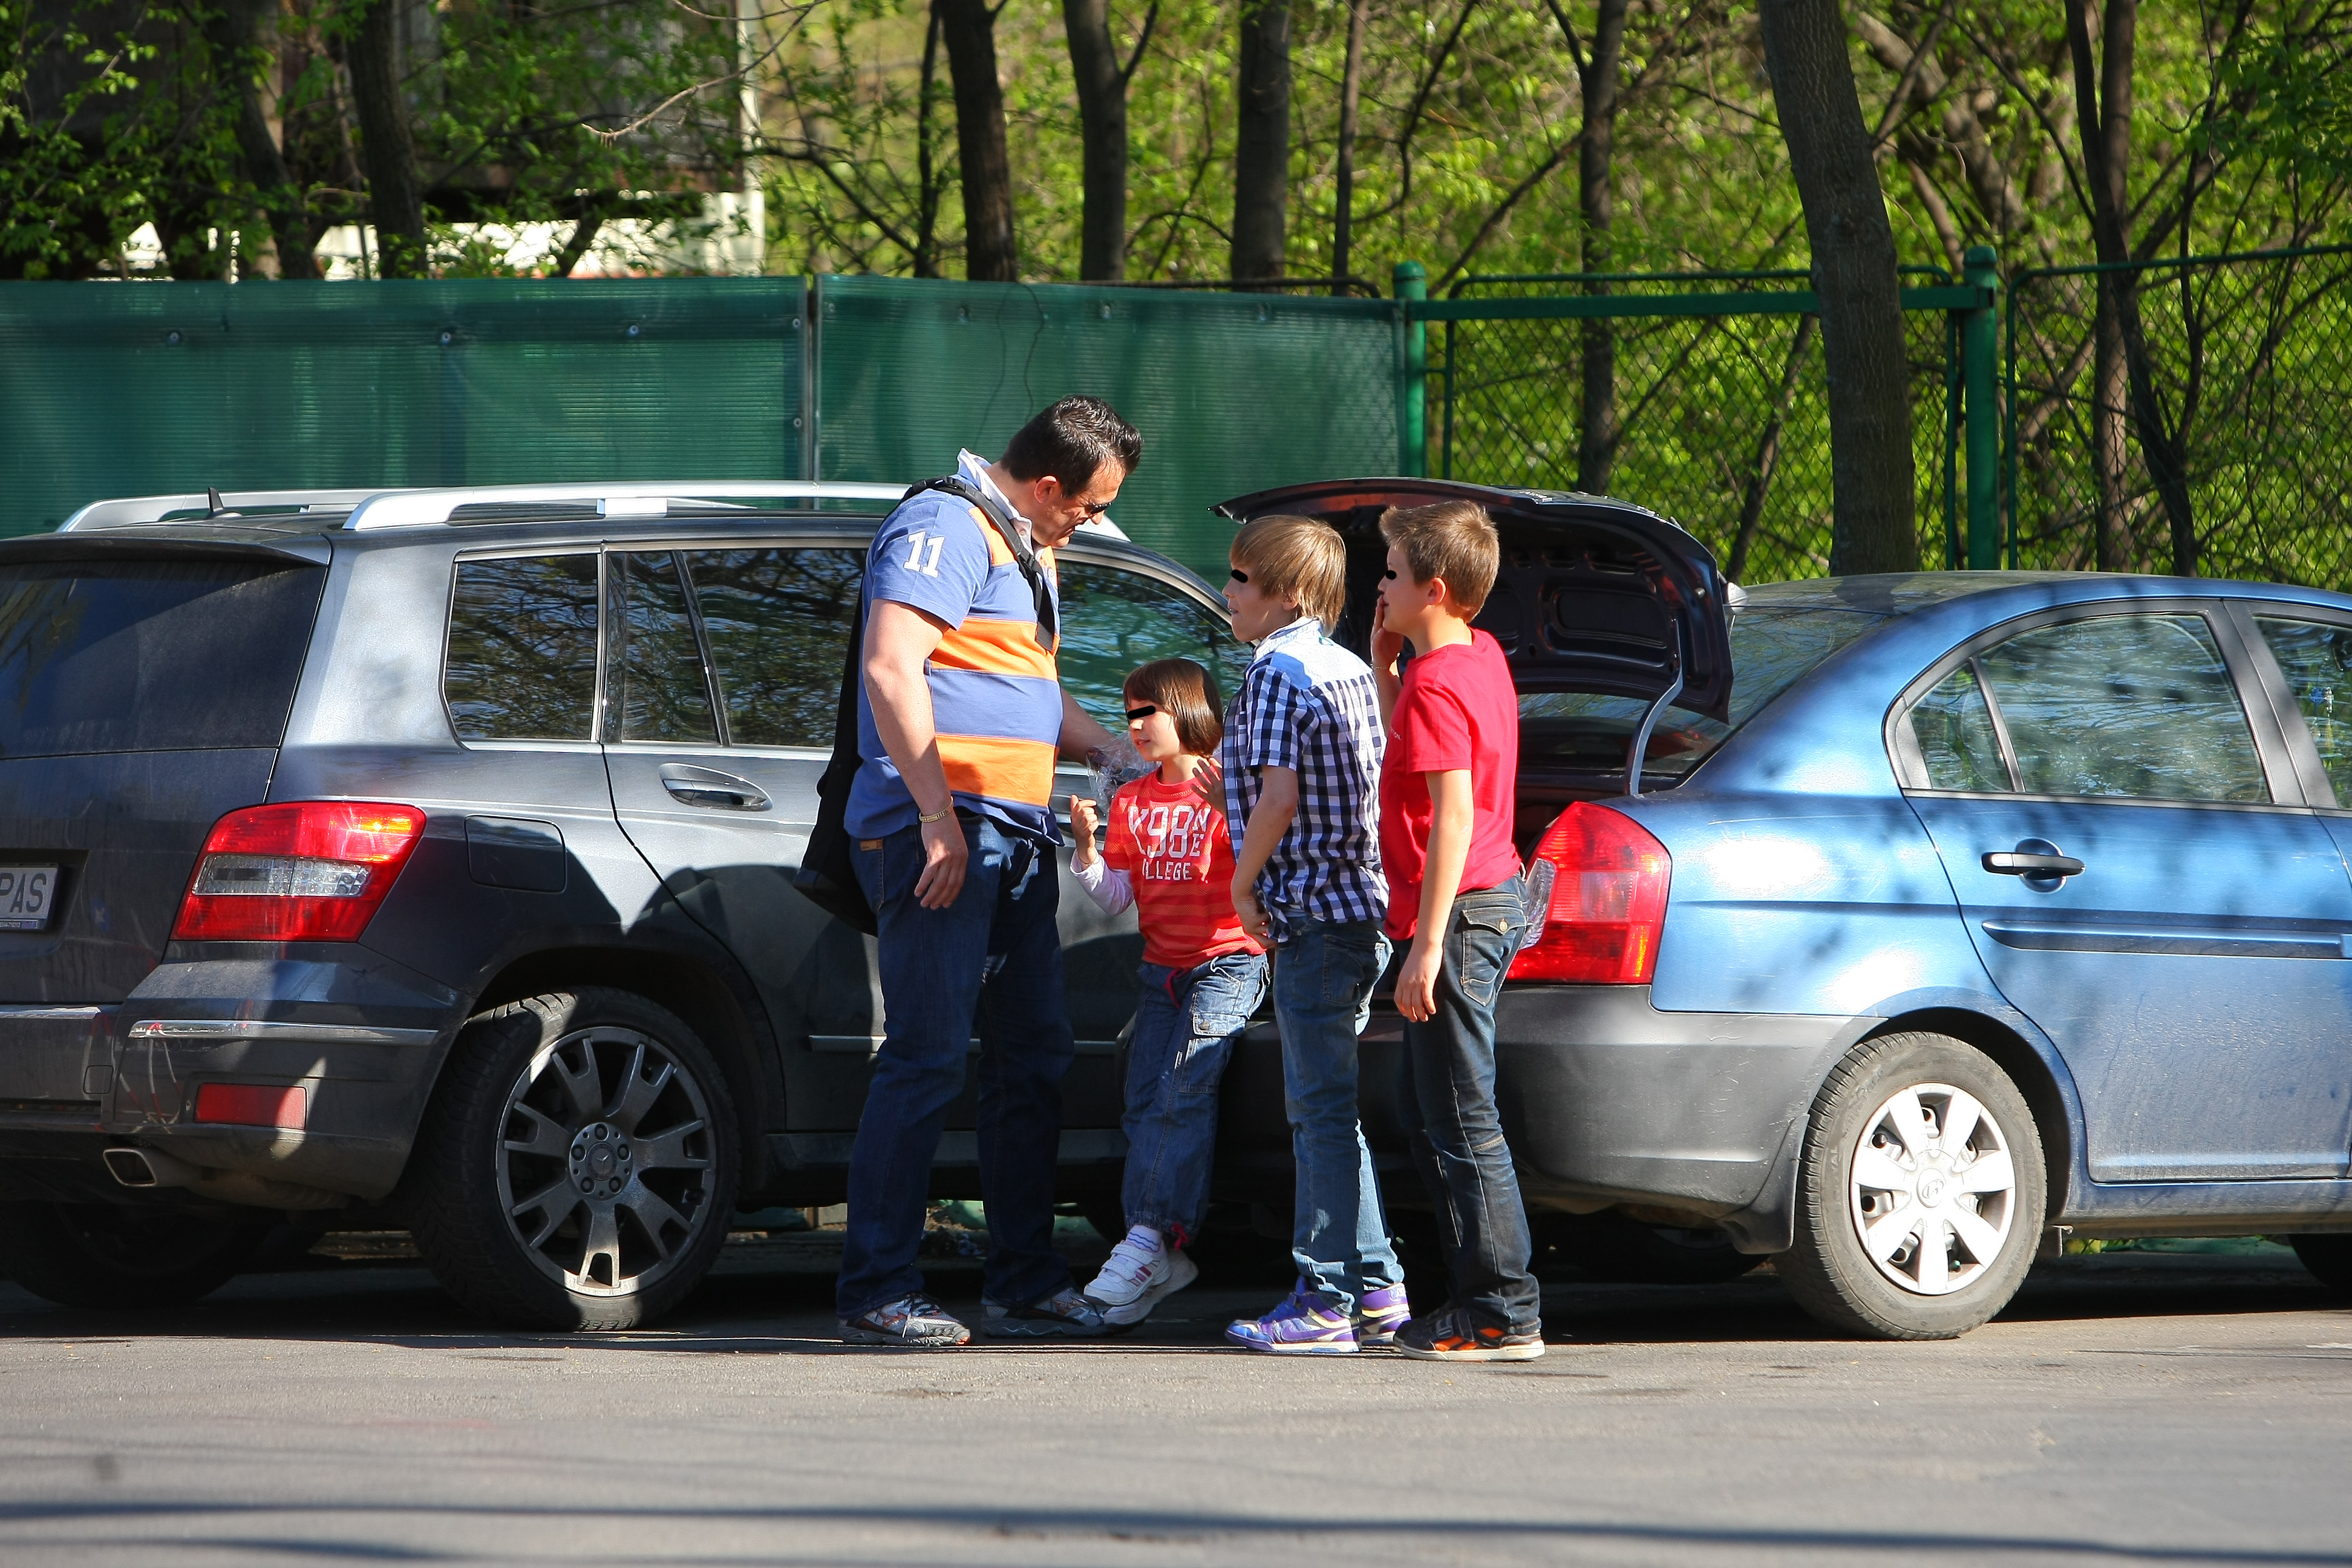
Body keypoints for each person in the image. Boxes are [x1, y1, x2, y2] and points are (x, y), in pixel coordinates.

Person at [834, 395, 1138, 1347]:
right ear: (1046, 486)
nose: (1089, 526)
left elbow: (1030, 694)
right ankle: (876, 1288)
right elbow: (893, 670)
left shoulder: (1024, 545)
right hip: (946, 832)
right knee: (926, 1055)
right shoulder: (943, 526)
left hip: (1013, 833)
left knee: (1032, 1053)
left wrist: (1120, 757)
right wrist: (934, 817)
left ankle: (1024, 1275)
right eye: (1087, 508)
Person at [1218, 514, 1410, 1354]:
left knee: (1320, 1116)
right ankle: (1379, 1286)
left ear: (1286, 595)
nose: (1228, 593)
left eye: (1241, 581)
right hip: (1361, 912)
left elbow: (1279, 795)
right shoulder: (1346, 670)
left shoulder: (1273, 674)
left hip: (1313, 914)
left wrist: (1241, 880)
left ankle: (1324, 1300)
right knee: (1335, 1111)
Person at [1369, 499, 1544, 1361]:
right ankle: (1482, 1300)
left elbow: (1450, 816)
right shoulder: (1475, 655)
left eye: (1393, 573)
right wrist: (1382, 667)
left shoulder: (1440, 683)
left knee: (1463, 1118)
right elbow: (1430, 740)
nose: (1380, 584)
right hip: (1489, 898)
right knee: (1436, 1106)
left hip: (1460, 915)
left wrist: (1428, 946)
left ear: (1434, 589)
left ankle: (1503, 1311)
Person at [1067, 659, 1267, 1327]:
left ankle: (1152, 1238)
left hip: (1228, 963)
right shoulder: (1131, 800)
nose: (1137, 726)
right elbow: (1119, 898)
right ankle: (1155, 1249)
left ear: (1187, 710)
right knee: (1143, 1100)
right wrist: (1088, 852)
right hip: (1163, 971)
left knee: (1182, 1092)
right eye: (1130, 714)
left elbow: (1268, 871)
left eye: (1148, 711)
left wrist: (1231, 812)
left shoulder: (1227, 790)